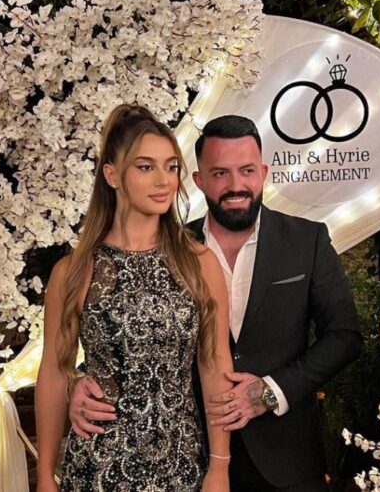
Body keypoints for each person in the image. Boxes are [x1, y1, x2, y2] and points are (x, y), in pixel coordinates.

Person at [69, 114, 362, 491]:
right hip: (188, 459)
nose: (236, 185)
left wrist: (271, 391)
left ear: (263, 173)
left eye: (247, 171)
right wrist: (78, 382)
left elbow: (344, 337)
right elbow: (125, 332)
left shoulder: (307, 240)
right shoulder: (166, 251)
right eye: (220, 173)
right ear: (198, 180)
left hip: (287, 460)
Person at [36, 104, 234, 492]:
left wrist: (220, 467)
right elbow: (54, 373)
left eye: (171, 167)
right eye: (145, 167)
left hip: (180, 467)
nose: (164, 181)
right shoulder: (74, 271)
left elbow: (214, 365)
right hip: (97, 467)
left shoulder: (199, 263)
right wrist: (45, 475)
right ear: (112, 175)